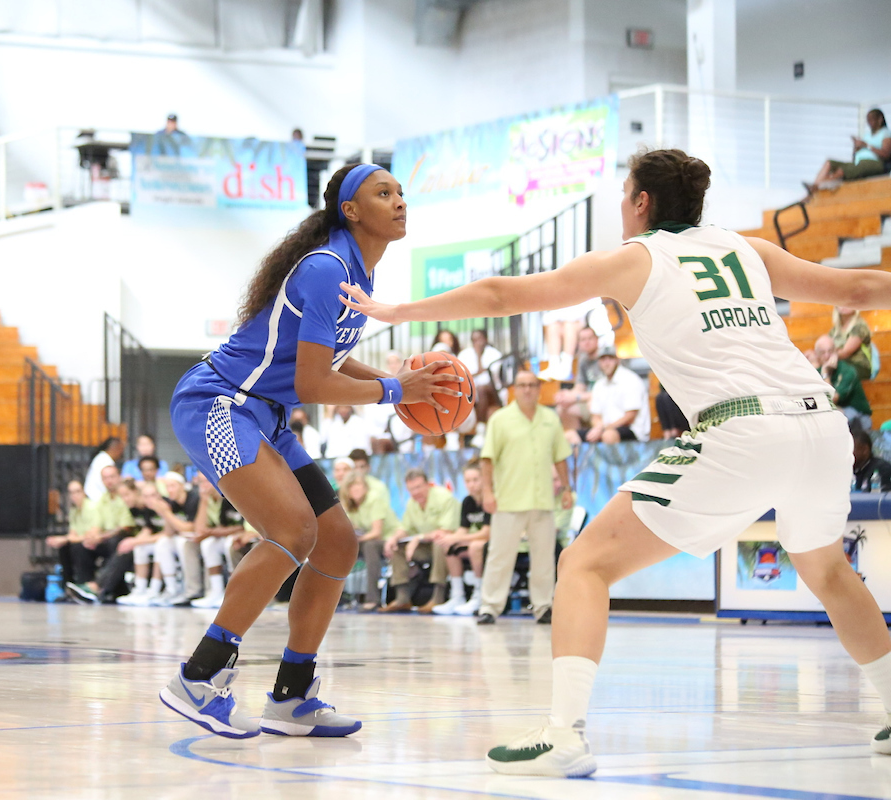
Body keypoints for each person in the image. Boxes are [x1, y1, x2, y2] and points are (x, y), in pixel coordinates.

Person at [339, 147, 891, 777]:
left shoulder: (637, 259)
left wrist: (397, 312)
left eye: (624, 196)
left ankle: (563, 736)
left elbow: (501, 294)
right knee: (827, 570)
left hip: (745, 427)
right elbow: (856, 287)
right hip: (823, 426)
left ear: (641, 203)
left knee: (583, 563)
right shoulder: (750, 250)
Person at [161, 162, 456, 739]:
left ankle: (291, 696)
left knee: (339, 542)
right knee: (293, 531)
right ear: (350, 210)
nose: (399, 201)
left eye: (401, 193)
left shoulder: (358, 273)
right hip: (219, 402)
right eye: (383, 193)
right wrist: (397, 390)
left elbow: (327, 364)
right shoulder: (326, 268)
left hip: (263, 414)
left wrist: (399, 390)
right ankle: (198, 677)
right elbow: (314, 386)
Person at [473, 370, 573, 625]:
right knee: (499, 556)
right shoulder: (500, 419)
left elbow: (560, 456)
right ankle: (490, 606)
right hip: (508, 500)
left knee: (543, 558)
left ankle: (543, 606)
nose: (527, 389)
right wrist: (487, 491)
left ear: (539, 389)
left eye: (532, 385)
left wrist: (567, 489)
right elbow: (487, 459)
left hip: (542, 501)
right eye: (522, 385)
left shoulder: (551, 419)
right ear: (514, 390)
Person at [381, 469, 461, 614]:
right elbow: (405, 528)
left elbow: (446, 531)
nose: (415, 492)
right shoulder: (412, 503)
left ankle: (438, 597)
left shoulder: (444, 498)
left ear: (428, 484)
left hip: (449, 545)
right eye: (411, 489)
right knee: (396, 547)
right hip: (425, 547)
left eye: (418, 487)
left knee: (440, 542)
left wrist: (419, 538)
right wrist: (393, 538)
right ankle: (402, 598)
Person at [62, 466, 135, 603]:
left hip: (120, 537)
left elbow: (125, 526)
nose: (109, 481)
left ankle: (100, 588)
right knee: (82, 547)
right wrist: (93, 537)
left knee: (116, 541)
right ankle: (84, 587)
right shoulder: (103, 499)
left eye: (112, 476)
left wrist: (101, 537)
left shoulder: (125, 496)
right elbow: (97, 524)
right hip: (107, 538)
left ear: (119, 477)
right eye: (105, 478)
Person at [431, 461, 491, 616]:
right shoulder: (468, 501)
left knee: (475, 546)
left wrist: (457, 538)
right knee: (449, 545)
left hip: (496, 543)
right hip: (481, 542)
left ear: (484, 479)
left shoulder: (490, 500)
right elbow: (462, 531)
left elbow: (487, 533)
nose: (471, 485)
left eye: (475, 480)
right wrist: (449, 538)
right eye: (468, 481)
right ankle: (457, 596)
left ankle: (479, 596)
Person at [339, 471, 399, 611]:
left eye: (359, 485)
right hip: (366, 540)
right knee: (338, 548)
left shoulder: (374, 499)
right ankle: (339, 595)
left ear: (365, 487)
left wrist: (357, 539)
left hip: (388, 539)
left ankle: (373, 598)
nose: (356, 489)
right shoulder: (350, 505)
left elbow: (377, 533)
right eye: (352, 486)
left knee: (369, 546)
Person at [570, 347, 651, 444]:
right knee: (570, 436)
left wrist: (604, 428)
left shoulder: (630, 380)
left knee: (608, 435)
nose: (607, 363)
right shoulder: (599, 385)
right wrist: (598, 428)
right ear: (598, 362)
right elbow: (595, 416)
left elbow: (630, 417)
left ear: (617, 360)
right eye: (603, 359)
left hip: (632, 431)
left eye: (610, 359)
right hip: (605, 429)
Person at [189, 473, 246, 609]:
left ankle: (233, 592)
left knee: (228, 544)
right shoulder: (207, 499)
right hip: (224, 535)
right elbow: (200, 530)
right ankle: (216, 591)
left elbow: (240, 526)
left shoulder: (231, 495)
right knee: (208, 544)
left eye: (206, 481)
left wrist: (211, 532)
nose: (204, 486)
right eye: (201, 482)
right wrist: (203, 501)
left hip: (242, 535)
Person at [806, 109, 890, 194]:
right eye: (868, 120)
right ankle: (816, 186)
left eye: (872, 119)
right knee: (830, 163)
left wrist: (866, 145)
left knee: (842, 170)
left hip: (875, 164)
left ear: (880, 119)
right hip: (859, 163)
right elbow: (855, 156)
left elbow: (886, 154)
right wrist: (856, 148)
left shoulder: (885, 134)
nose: (870, 122)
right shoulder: (867, 135)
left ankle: (817, 188)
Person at [538, 297, 604, 382]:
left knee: (569, 325)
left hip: (585, 321)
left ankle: (566, 367)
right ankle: (554, 365)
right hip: (568, 321)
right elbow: (550, 317)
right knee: (553, 326)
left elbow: (590, 306)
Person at [816, 334, 872, 430]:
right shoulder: (816, 373)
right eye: (822, 352)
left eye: (830, 351)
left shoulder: (848, 371)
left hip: (859, 416)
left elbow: (832, 399)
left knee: (833, 414)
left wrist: (826, 374)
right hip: (836, 412)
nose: (827, 356)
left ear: (836, 352)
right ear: (817, 356)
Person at [554, 326, 602, 432]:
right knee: (562, 407)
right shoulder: (583, 359)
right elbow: (579, 387)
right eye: (583, 340)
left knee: (591, 405)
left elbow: (605, 392)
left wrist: (576, 397)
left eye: (590, 338)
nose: (587, 342)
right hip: (588, 399)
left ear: (597, 339)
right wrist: (566, 395)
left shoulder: (605, 358)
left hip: (603, 401)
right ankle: (575, 442)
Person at [458, 328, 504, 425]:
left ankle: (480, 425)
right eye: (474, 340)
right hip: (469, 389)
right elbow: (462, 375)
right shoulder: (464, 354)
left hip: (492, 389)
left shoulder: (494, 354)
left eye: (479, 339)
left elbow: (492, 375)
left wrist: (478, 357)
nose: (477, 343)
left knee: (482, 389)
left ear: (485, 339)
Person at [829, 306, 874, 382]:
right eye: (842, 303)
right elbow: (824, 346)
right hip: (841, 364)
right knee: (818, 367)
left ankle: (835, 393)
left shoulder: (859, 326)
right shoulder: (835, 330)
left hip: (859, 366)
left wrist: (825, 355)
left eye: (849, 303)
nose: (845, 305)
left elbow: (845, 353)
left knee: (832, 369)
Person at [853, 427, 891, 493]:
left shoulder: (883, 469)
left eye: (851, 449)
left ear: (865, 449)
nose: (847, 454)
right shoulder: (847, 469)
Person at [85, 437, 124, 501]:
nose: (121, 454)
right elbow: (102, 482)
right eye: (121, 450)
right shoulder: (105, 460)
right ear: (115, 448)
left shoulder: (102, 457)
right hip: (96, 498)